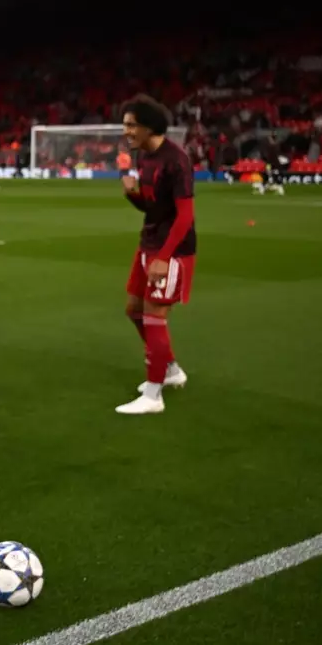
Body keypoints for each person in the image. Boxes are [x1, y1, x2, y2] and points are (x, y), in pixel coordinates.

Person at [117, 94, 195, 416]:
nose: (127, 132)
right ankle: (171, 370)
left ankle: (153, 396)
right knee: (133, 310)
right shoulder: (143, 157)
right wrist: (132, 195)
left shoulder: (176, 160)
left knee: (154, 315)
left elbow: (185, 216)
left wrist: (165, 256)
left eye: (132, 125)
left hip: (172, 250)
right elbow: (151, 208)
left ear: (149, 126)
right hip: (149, 242)